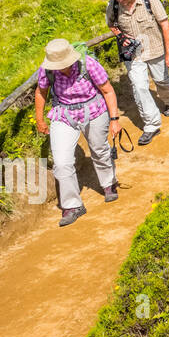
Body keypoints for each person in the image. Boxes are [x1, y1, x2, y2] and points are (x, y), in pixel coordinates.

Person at [35, 38, 123, 226]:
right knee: (61, 162)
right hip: (63, 113)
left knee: (99, 149)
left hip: (94, 110)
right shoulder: (47, 70)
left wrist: (114, 119)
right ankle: (72, 205)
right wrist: (40, 119)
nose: (62, 68)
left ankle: (108, 183)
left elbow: (107, 90)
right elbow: (41, 92)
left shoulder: (88, 64)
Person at [104, 0, 169, 146]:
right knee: (139, 87)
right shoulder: (113, 5)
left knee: (161, 80)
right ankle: (151, 124)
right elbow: (112, 25)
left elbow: (165, 24)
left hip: (155, 48)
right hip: (133, 53)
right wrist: (121, 36)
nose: (120, 0)